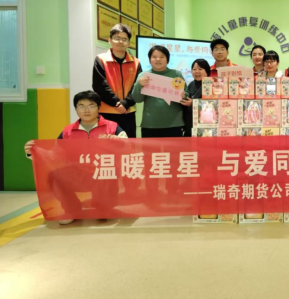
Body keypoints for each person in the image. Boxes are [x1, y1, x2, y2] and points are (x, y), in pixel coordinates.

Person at [24, 91, 127, 225]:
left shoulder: (113, 127)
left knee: (105, 197)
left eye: (91, 105)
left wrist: (118, 142)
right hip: (78, 174)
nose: (86, 110)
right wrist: (34, 152)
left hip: (103, 173)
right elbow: (55, 155)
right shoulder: (67, 131)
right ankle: (72, 210)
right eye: (81, 106)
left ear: (98, 107)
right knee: (55, 175)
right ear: (76, 109)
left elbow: (129, 148)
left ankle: (103, 208)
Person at [92, 24, 142, 138]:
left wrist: (126, 103)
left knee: (129, 144)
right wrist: (118, 103)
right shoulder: (101, 59)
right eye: (117, 38)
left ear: (128, 43)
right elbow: (99, 85)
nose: (120, 42)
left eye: (124, 39)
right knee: (107, 145)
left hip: (128, 111)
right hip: (107, 111)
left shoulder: (136, 62)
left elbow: (138, 86)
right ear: (110, 40)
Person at [132, 46, 192, 138]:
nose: (158, 59)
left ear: (167, 60)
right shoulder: (143, 76)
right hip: (150, 124)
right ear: (149, 60)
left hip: (174, 124)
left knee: (175, 148)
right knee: (149, 148)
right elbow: (137, 99)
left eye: (162, 56)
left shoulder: (176, 74)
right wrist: (139, 85)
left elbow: (185, 95)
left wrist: (183, 96)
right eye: (154, 57)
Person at [183, 59, 212, 136]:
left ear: (207, 71)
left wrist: (193, 103)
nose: (197, 72)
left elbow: (213, 104)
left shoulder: (212, 84)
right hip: (190, 125)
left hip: (205, 126)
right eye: (194, 69)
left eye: (200, 69)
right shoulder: (191, 84)